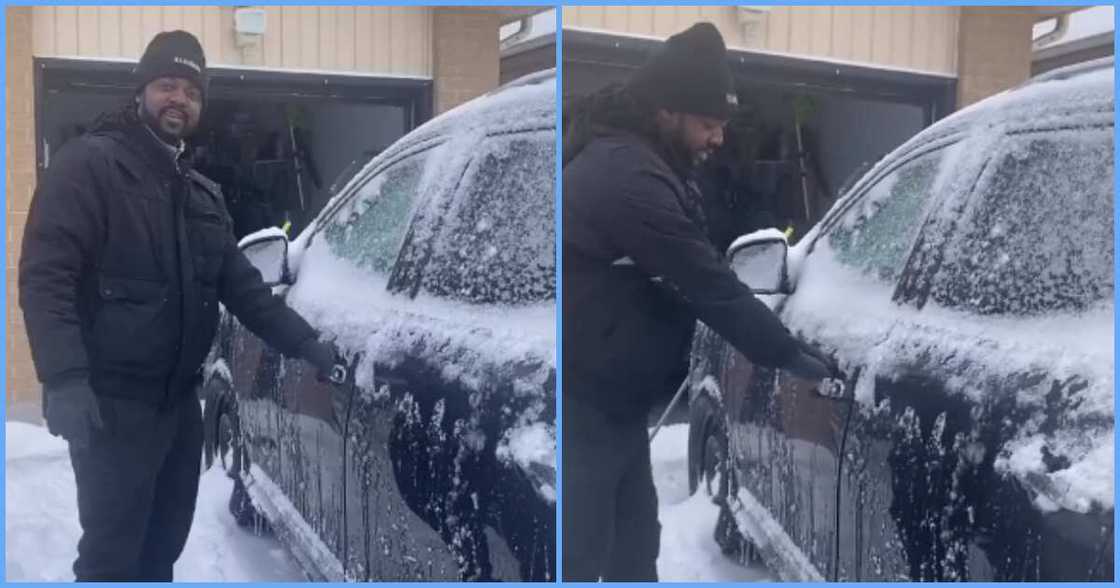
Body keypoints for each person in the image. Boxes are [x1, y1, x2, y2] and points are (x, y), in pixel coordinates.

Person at [18, 31, 338, 582]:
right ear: (141, 89)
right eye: (168, 85)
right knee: (111, 558)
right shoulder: (89, 166)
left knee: (163, 547)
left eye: (192, 92)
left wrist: (307, 344)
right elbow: (46, 277)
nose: (180, 100)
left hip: (179, 411)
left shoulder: (202, 194)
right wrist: (64, 377)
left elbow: (246, 293)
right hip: (112, 409)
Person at [562, 23, 837, 581]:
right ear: (666, 111)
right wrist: (786, 352)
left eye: (722, 125)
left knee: (633, 550)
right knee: (583, 556)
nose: (718, 139)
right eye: (708, 124)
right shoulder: (626, 175)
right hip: (578, 410)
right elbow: (705, 280)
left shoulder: (644, 159)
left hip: (610, 404)